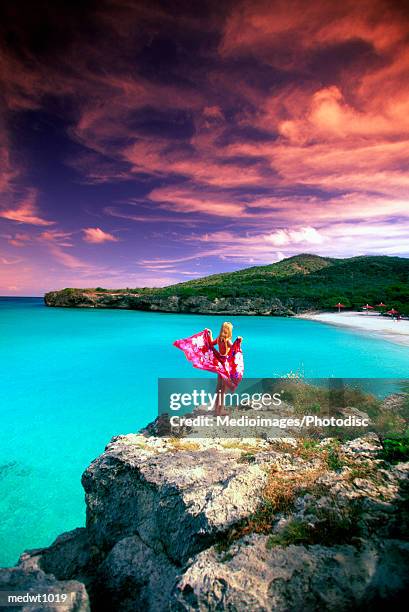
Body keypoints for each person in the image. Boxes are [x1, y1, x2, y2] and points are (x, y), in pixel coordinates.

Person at [173, 322, 244, 414]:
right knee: (223, 389)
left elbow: (210, 343)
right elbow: (235, 349)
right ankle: (220, 410)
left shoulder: (219, 339)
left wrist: (209, 334)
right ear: (229, 331)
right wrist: (239, 341)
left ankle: (216, 408)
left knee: (218, 387)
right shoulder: (227, 341)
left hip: (219, 363)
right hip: (225, 365)